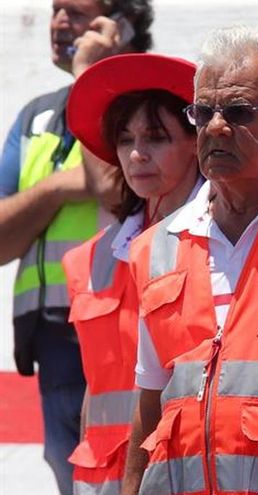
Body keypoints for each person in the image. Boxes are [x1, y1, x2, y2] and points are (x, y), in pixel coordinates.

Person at [121, 25, 258, 495]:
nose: (216, 127)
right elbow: (150, 405)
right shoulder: (158, 246)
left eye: (238, 112)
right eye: (203, 112)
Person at [0, 2, 152, 493]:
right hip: (53, 339)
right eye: (56, 10)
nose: (61, 22)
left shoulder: (143, 103)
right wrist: (58, 187)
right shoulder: (37, 115)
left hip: (122, 331)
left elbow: (109, 183)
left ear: (121, 26)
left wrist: (92, 72)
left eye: (78, 12)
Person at [61, 52, 202, 495]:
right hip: (100, 482)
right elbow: (94, 394)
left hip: (188, 475)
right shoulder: (85, 260)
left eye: (156, 137)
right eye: (125, 139)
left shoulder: (227, 246)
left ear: (198, 142)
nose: (137, 154)